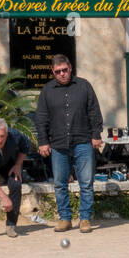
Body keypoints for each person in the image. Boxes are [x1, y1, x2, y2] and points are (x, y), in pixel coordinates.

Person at [35, 55, 103, 233]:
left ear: (70, 68)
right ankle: (65, 218)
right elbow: (41, 118)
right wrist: (43, 141)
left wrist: (96, 134)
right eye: (58, 71)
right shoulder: (47, 90)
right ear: (53, 71)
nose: (62, 74)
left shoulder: (84, 86)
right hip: (58, 144)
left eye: (65, 70)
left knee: (86, 182)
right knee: (59, 183)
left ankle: (85, 218)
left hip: (83, 142)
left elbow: (94, 111)